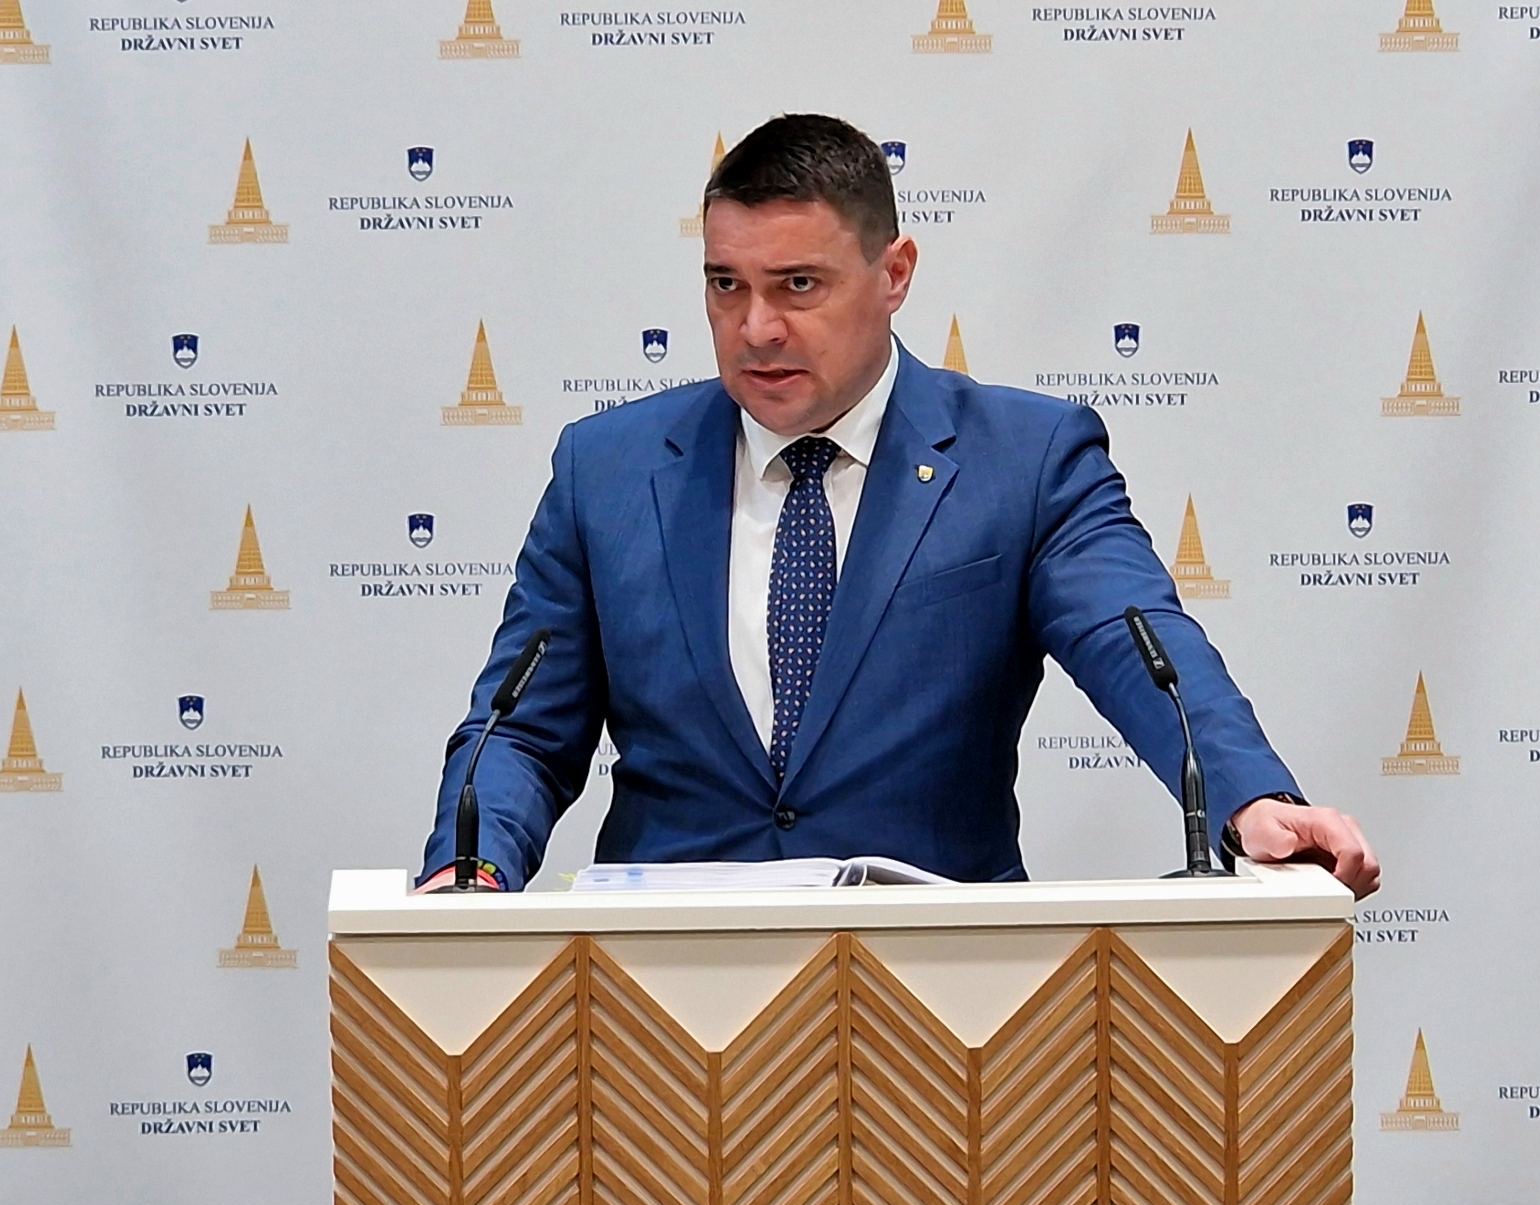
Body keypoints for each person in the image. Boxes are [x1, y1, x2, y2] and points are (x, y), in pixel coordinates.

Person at [417, 114, 1380, 899]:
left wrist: (1250, 799)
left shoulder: (1024, 460)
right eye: (726, 285)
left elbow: (1139, 646)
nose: (756, 328)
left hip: (939, 996)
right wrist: (473, 866)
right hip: (666, 994)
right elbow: (522, 727)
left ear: (895, 274)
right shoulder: (608, 470)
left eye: (798, 285)